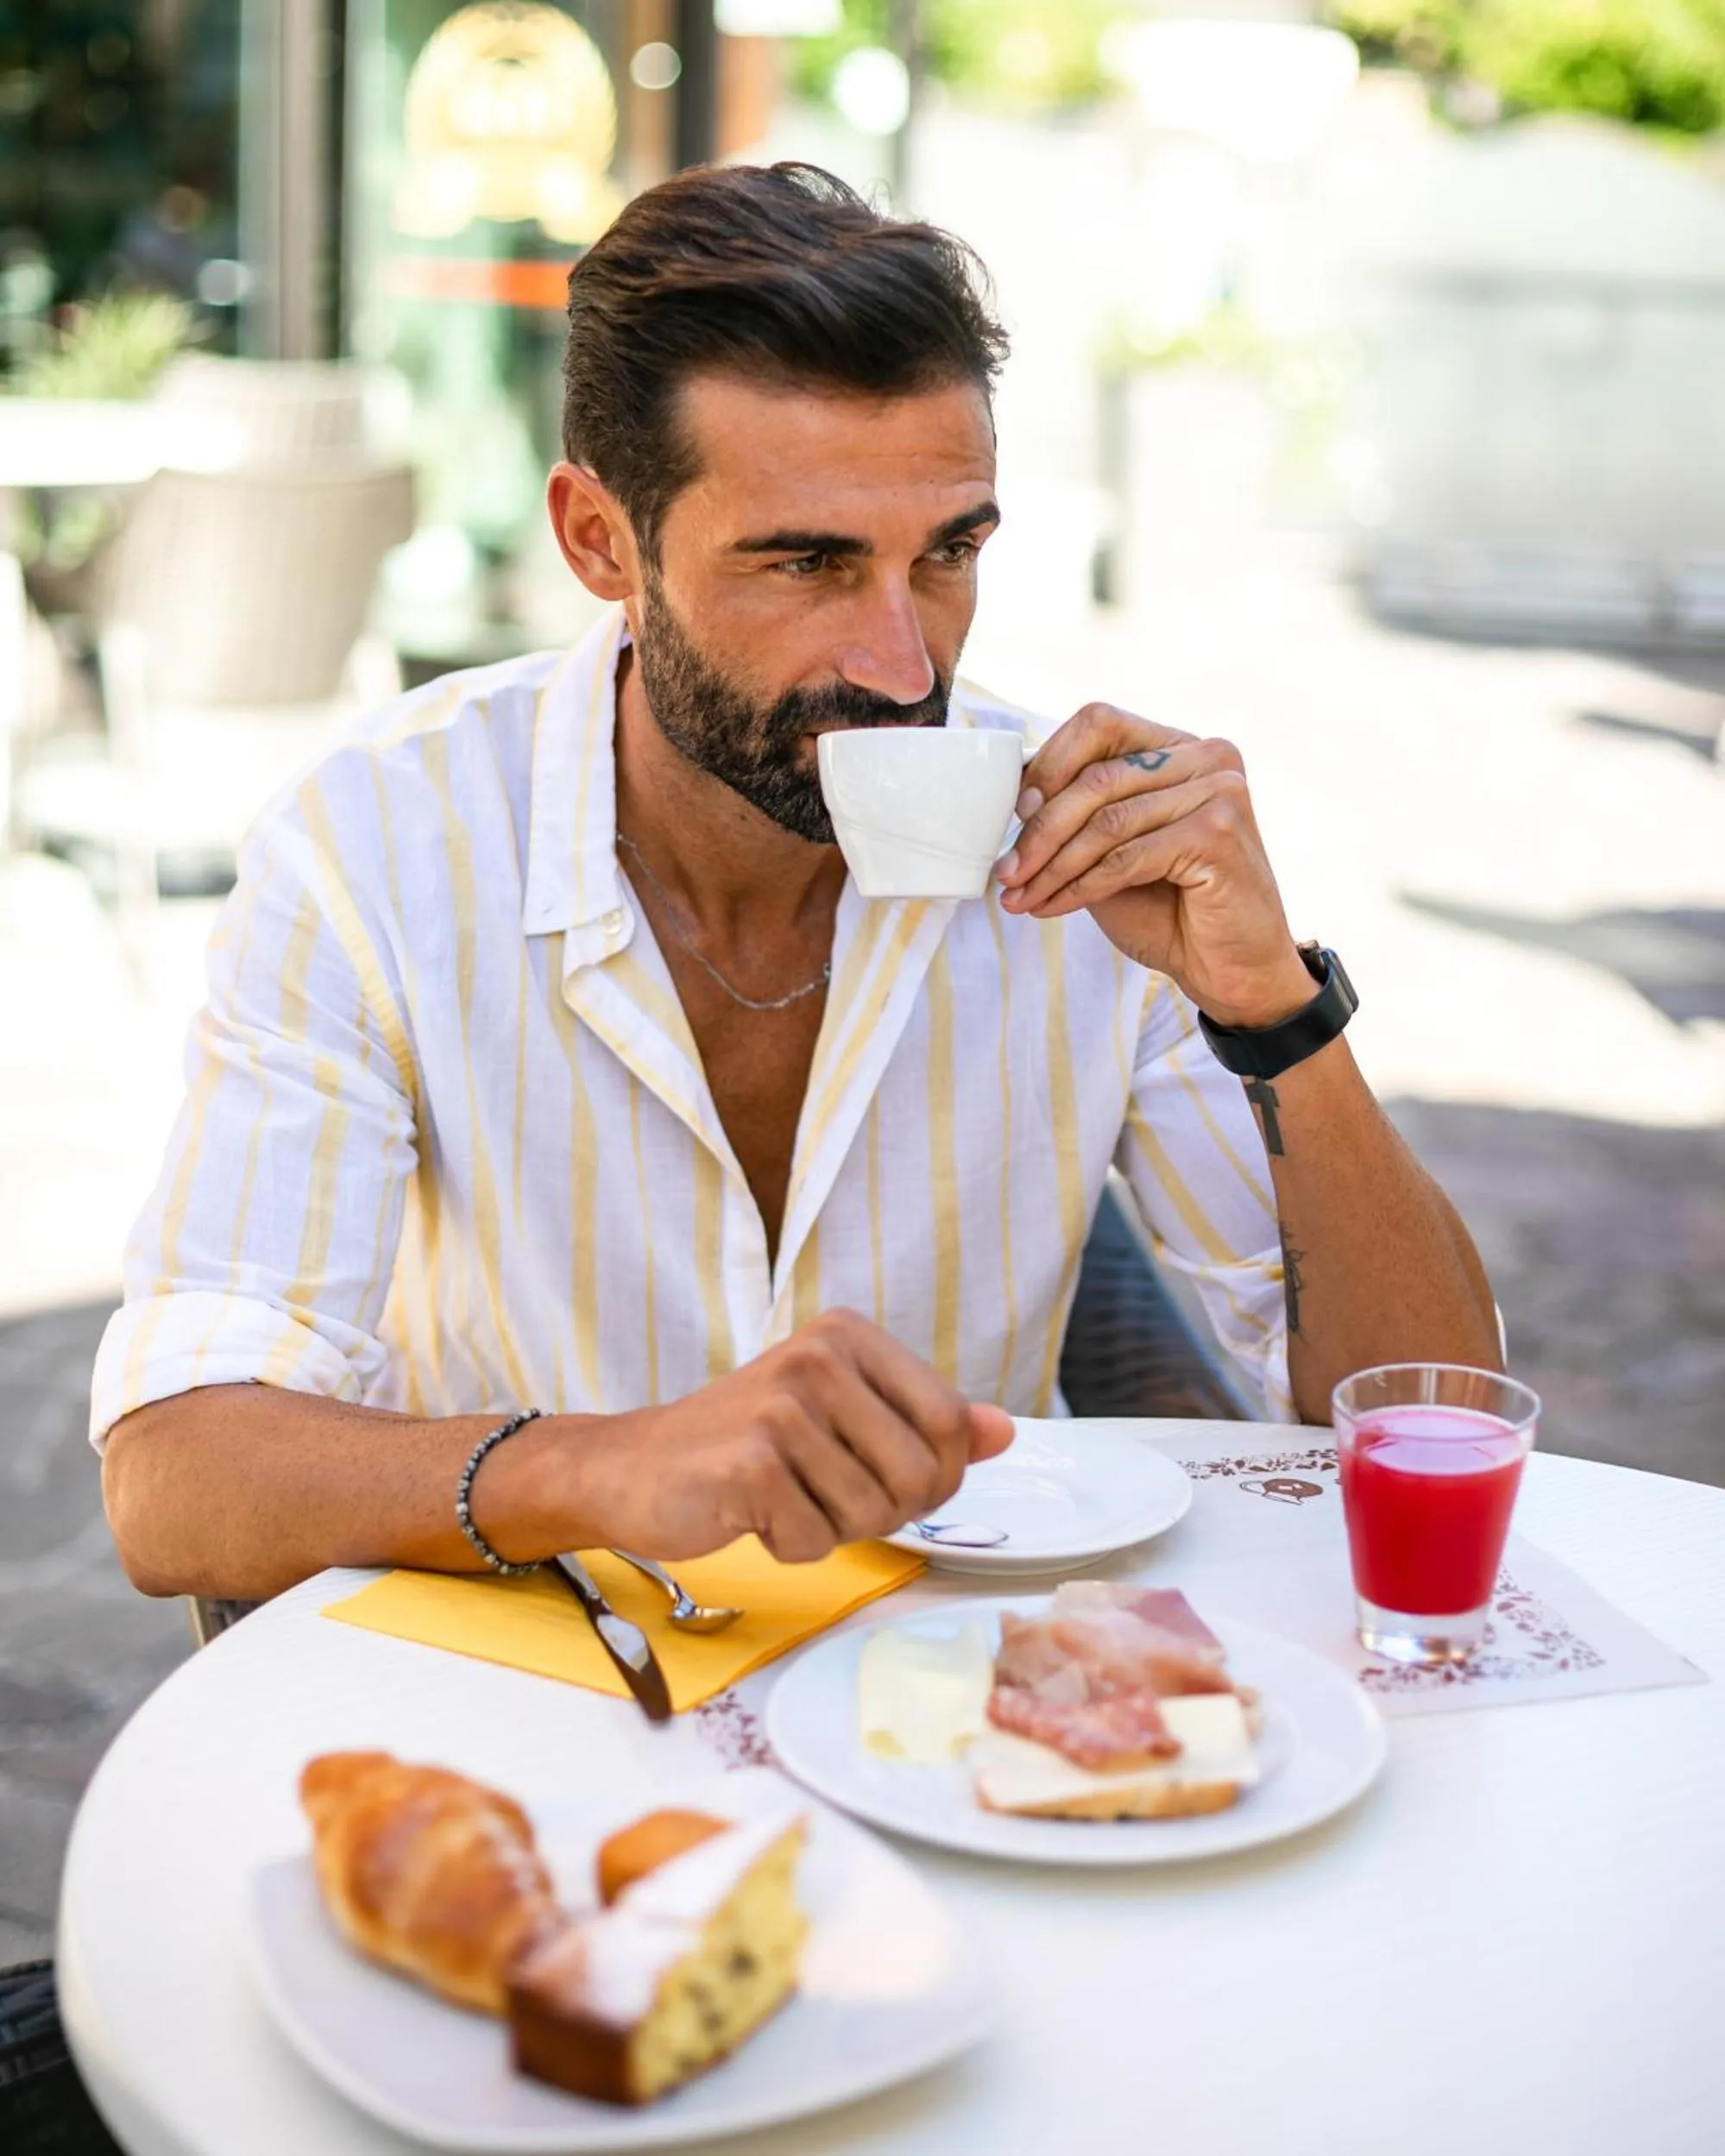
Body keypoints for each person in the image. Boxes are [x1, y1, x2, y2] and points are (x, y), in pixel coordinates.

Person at [94, 164, 1500, 1604]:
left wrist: (1271, 1007)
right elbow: (173, 1476)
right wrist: (597, 1465)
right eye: (806, 564)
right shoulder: (381, 848)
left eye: (946, 552)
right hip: (545, 1700)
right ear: (600, 543)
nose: (906, 665)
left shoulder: (1084, 857)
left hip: (969, 1711)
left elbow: (1436, 1419)